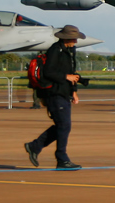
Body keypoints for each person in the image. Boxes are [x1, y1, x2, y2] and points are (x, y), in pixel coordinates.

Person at [24, 25, 87, 170]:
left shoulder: (70, 51)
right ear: (66, 38)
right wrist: (66, 77)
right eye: (74, 38)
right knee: (64, 125)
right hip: (53, 93)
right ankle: (61, 158)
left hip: (64, 92)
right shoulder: (55, 50)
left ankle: (35, 146)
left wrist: (74, 91)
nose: (76, 41)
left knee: (62, 125)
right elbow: (49, 72)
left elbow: (72, 72)